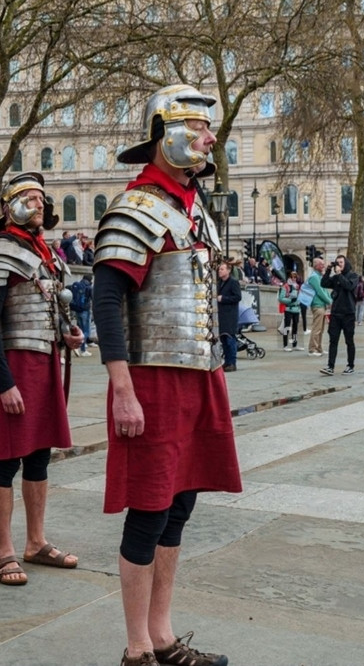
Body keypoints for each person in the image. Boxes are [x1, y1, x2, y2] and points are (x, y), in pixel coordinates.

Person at [93, 84, 240, 666]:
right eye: (198, 129)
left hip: (199, 374)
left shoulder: (194, 207)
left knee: (180, 505)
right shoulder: (134, 208)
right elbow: (107, 304)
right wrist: (122, 391)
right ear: (164, 134)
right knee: (149, 508)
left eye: (210, 129)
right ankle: (136, 650)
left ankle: (161, 634)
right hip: (151, 379)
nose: (209, 139)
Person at [0, 171, 83, 587]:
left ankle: (36, 542)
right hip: (15, 366)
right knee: (6, 460)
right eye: (29, 198)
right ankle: (5, 552)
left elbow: (47, 310)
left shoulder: (44, 254)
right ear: (9, 207)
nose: (39, 203)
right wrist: (4, 383)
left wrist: (67, 334)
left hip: (45, 361)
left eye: (41, 197)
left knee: (38, 456)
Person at [320, 254, 359, 375]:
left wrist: (339, 275)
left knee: (349, 341)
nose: (339, 265)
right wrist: (327, 270)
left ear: (346, 263)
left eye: (341, 262)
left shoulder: (353, 276)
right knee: (333, 340)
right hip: (336, 313)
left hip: (348, 313)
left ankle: (350, 365)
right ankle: (330, 366)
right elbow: (324, 283)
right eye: (337, 263)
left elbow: (348, 286)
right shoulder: (336, 277)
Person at [217, 261, 241, 372]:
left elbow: (237, 297)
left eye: (222, 269)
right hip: (221, 315)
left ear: (228, 270)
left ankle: (232, 363)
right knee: (224, 340)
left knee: (230, 339)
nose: (219, 271)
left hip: (230, 315)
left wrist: (224, 298)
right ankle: (227, 362)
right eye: (219, 269)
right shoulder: (219, 283)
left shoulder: (233, 282)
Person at [306, 257, 332, 357]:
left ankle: (319, 348)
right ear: (316, 266)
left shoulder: (319, 276)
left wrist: (330, 300)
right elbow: (320, 292)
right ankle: (312, 349)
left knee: (320, 329)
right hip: (317, 305)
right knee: (316, 328)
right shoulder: (314, 277)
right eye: (321, 264)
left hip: (322, 305)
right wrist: (330, 301)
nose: (323, 266)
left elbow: (325, 290)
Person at [70, 274, 94, 357]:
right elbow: (93, 298)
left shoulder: (76, 285)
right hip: (85, 311)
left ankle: (76, 346)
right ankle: (83, 350)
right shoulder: (89, 287)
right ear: (90, 280)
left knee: (79, 330)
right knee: (86, 331)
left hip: (77, 310)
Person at [278, 272, 301, 351]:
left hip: (296, 309)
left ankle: (294, 345)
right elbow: (281, 298)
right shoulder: (286, 286)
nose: (294, 279)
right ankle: (285, 345)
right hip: (288, 309)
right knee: (286, 327)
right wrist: (290, 300)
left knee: (295, 328)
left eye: (295, 277)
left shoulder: (297, 286)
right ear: (290, 278)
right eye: (293, 277)